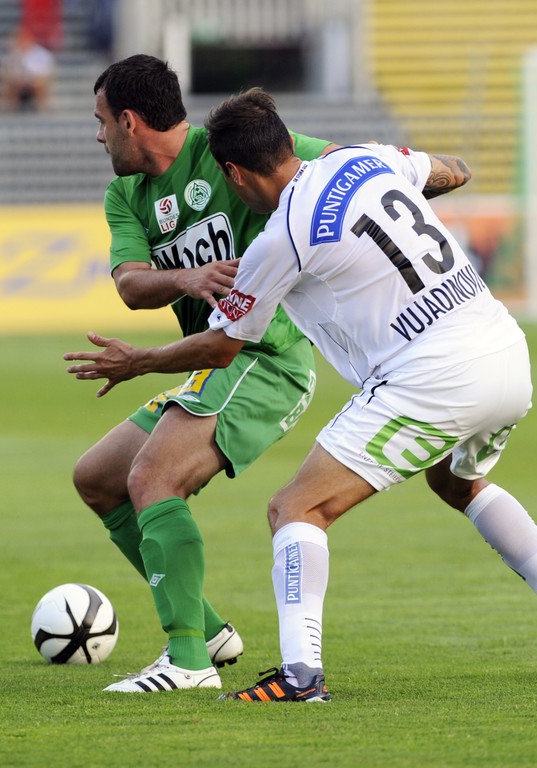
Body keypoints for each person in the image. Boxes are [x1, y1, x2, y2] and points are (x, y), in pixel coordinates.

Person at [65, 87, 537, 701]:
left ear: (235, 174)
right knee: (455, 482)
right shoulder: (367, 158)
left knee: (295, 509)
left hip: (431, 375)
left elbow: (221, 348)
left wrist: (137, 361)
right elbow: (453, 171)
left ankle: (301, 678)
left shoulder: (281, 236)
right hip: (504, 351)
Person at [73, 54, 341, 693]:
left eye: (101, 121)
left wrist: (419, 171)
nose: (99, 135)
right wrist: (187, 278)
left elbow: (337, 164)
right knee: (98, 479)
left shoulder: (224, 148)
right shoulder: (127, 194)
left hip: (265, 358)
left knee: (153, 478)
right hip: (208, 362)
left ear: (130, 121)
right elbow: (131, 285)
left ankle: (188, 659)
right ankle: (210, 630)